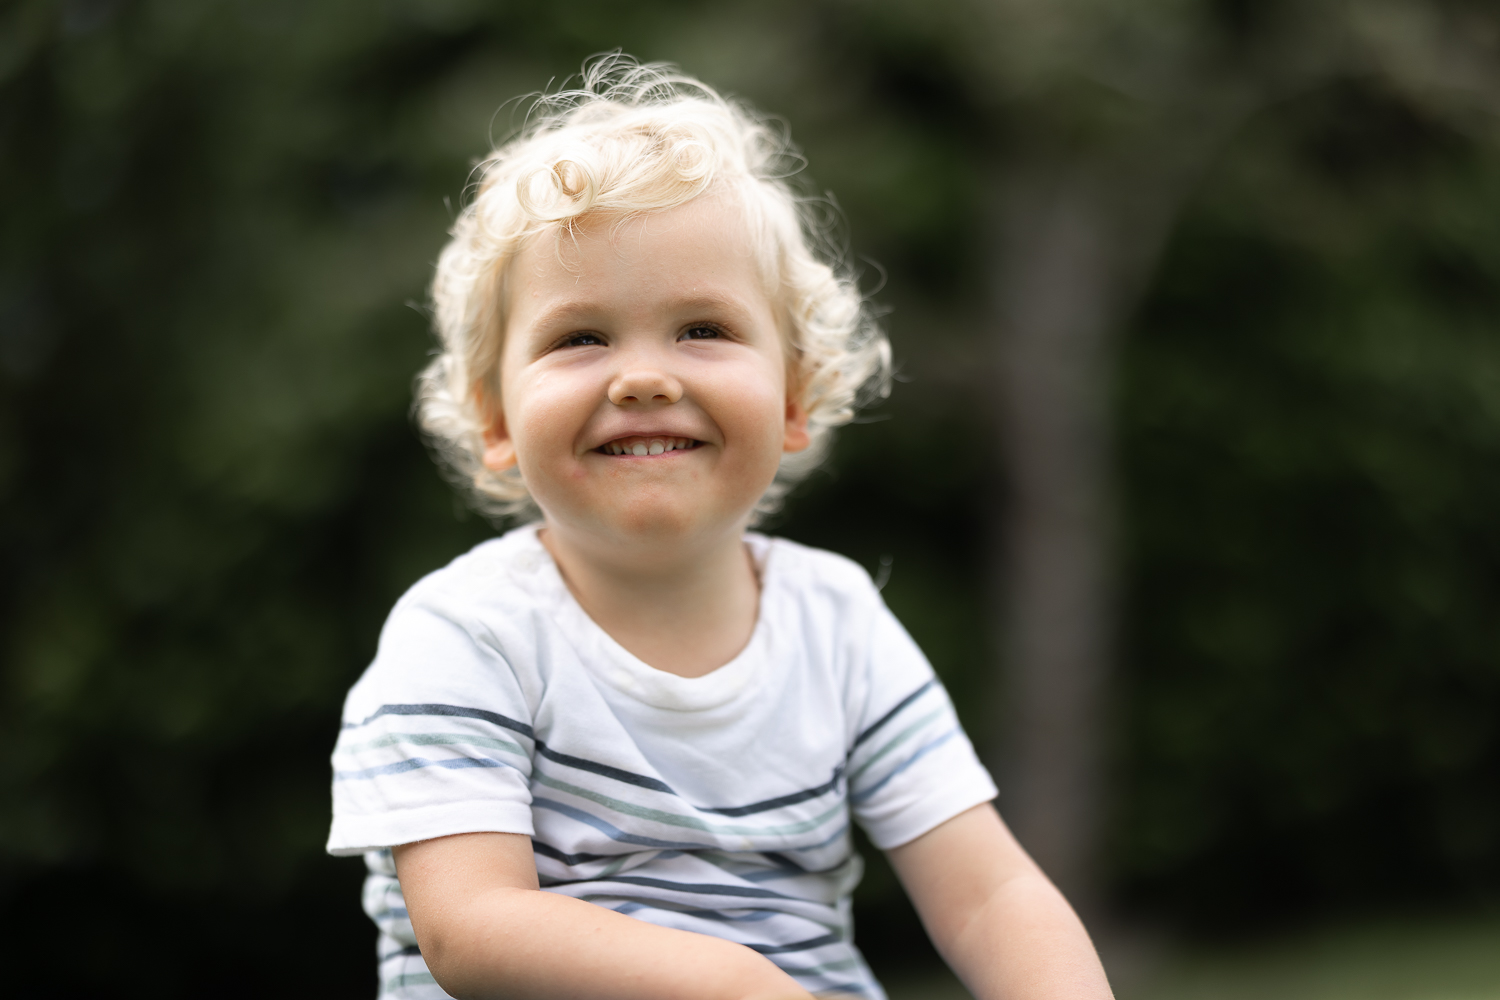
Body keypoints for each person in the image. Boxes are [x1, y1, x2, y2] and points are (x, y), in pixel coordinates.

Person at [326, 56, 1113, 1000]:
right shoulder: (466, 634)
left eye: (702, 328)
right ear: (496, 419)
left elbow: (989, 896)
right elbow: (470, 928)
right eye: (580, 338)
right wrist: (735, 985)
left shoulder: (837, 624)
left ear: (796, 396)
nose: (643, 377)